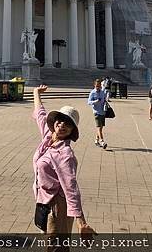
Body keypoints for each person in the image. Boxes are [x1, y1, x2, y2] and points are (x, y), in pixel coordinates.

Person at [32, 85, 94, 246]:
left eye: (68, 123)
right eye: (60, 120)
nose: (62, 125)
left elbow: (71, 188)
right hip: (44, 202)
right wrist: (36, 93)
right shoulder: (49, 137)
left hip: (57, 206)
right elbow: (40, 114)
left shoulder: (65, 154)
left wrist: (81, 222)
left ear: (72, 130)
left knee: (55, 247)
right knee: (51, 244)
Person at [87, 79, 108, 148]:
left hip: (102, 112)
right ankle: (102, 141)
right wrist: (95, 101)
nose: (98, 87)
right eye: (96, 86)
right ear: (94, 85)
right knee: (99, 127)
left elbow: (104, 99)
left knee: (101, 128)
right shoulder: (92, 92)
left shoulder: (102, 92)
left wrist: (106, 101)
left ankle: (96, 140)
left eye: (99, 86)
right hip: (96, 112)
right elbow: (89, 102)